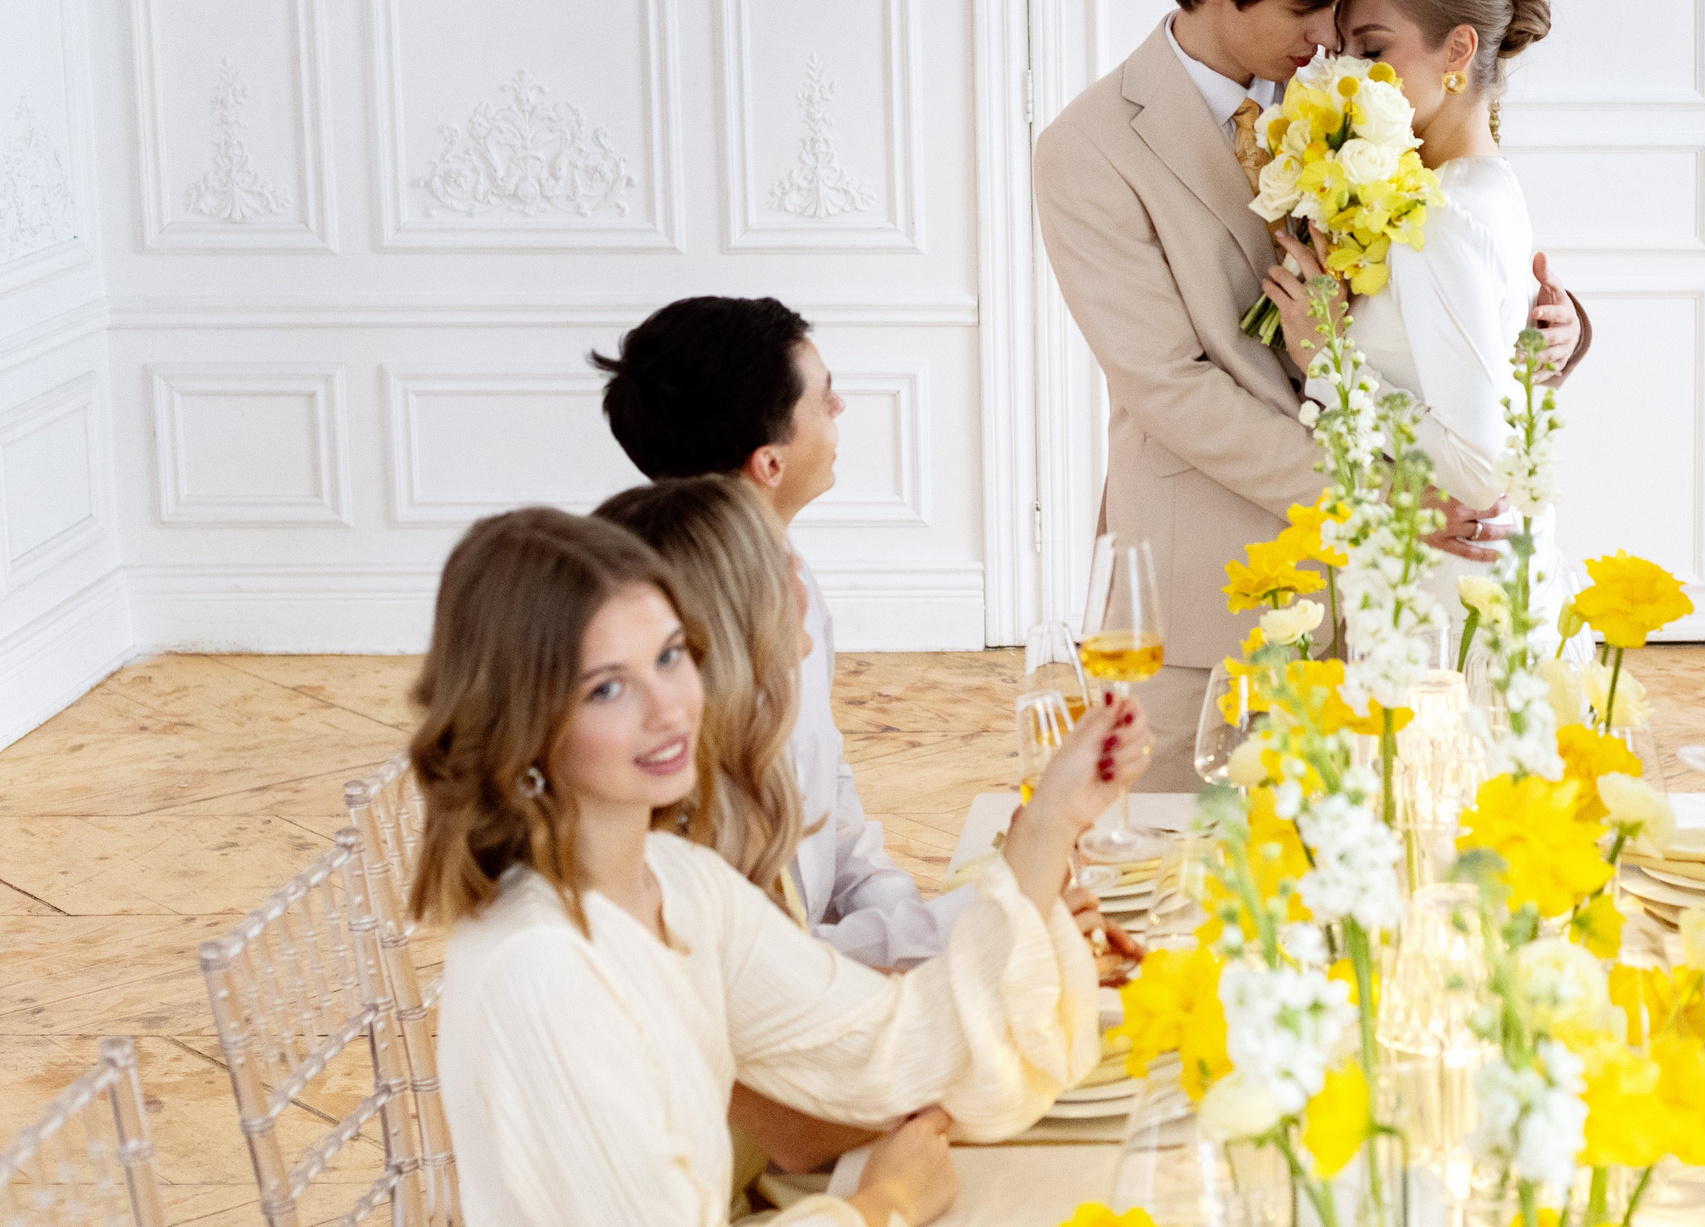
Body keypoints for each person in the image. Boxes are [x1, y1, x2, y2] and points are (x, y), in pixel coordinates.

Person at [412, 506, 1154, 1227]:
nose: (669, 708)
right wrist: (880, 1208)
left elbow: (890, 1045)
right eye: (608, 687)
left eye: (671, 656)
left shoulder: (673, 880)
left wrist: (1053, 820)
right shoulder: (542, 968)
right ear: (523, 721)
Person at [1033, 0, 1592, 786]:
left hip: (1387, 601)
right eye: (1303, 10)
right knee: (1196, 882)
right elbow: (1171, 387)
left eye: (1335, 12)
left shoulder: (1355, 85)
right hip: (1221, 587)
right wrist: (1381, 500)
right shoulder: (1086, 149)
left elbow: (1455, 247)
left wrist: (1557, 321)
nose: (1324, 37)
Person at [591, 296, 953, 968]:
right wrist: (948, 930)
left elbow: (827, 781)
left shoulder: (792, 579)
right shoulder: (675, 678)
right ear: (770, 464)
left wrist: (901, 912)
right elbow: (759, 962)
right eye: (824, 400)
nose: (839, 410)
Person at [1256, 0, 1566, 625]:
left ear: (1458, 49)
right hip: (1458, 581)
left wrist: (1325, 358)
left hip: (1444, 595)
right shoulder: (1483, 187)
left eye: (1372, 49)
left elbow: (1478, 469)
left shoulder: (1441, 216)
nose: (1350, 77)